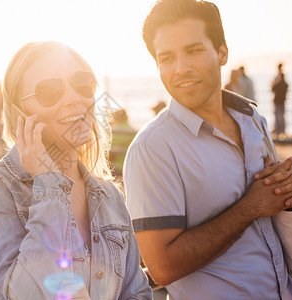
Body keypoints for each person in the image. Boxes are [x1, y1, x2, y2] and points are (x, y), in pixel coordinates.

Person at [124, 0, 292, 299]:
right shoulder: (152, 149)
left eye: (194, 50)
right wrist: (251, 206)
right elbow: (161, 267)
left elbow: (273, 207)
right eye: (167, 57)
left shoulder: (253, 118)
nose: (181, 68)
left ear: (222, 52)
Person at [0, 41, 152, 299]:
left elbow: (137, 293)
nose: (74, 98)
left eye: (82, 84)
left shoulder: (109, 195)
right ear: (20, 111)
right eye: (50, 91)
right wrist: (49, 183)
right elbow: (21, 293)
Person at [109, 109, 136, 177]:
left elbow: (108, 149)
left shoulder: (119, 130)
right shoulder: (131, 129)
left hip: (119, 166)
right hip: (129, 165)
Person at [272, 63, 289, 138]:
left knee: (279, 116)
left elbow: (273, 88)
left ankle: (279, 132)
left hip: (279, 101)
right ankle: (279, 131)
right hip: (280, 101)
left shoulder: (280, 80)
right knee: (280, 116)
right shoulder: (282, 80)